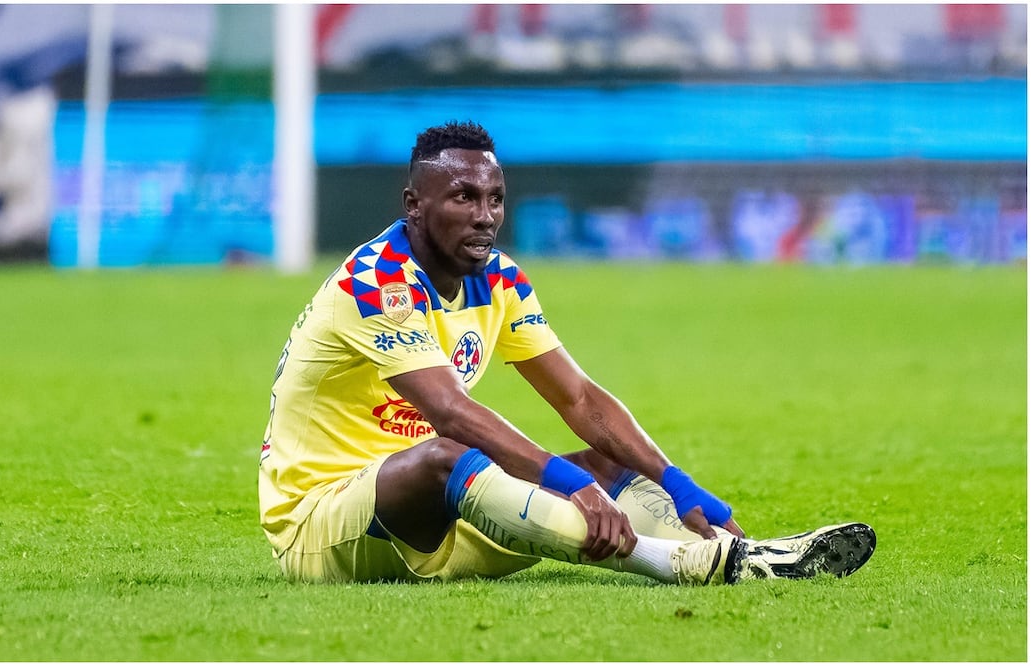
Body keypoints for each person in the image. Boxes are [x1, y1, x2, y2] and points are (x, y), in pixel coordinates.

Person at [258, 120, 875, 585]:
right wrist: (566, 481)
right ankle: (685, 566)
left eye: (495, 197)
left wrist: (676, 481)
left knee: (604, 465)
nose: (485, 216)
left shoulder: (499, 278)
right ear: (414, 204)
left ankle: (749, 554)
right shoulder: (375, 281)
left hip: (448, 522)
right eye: (463, 198)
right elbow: (448, 411)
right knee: (450, 457)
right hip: (329, 525)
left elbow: (578, 397)